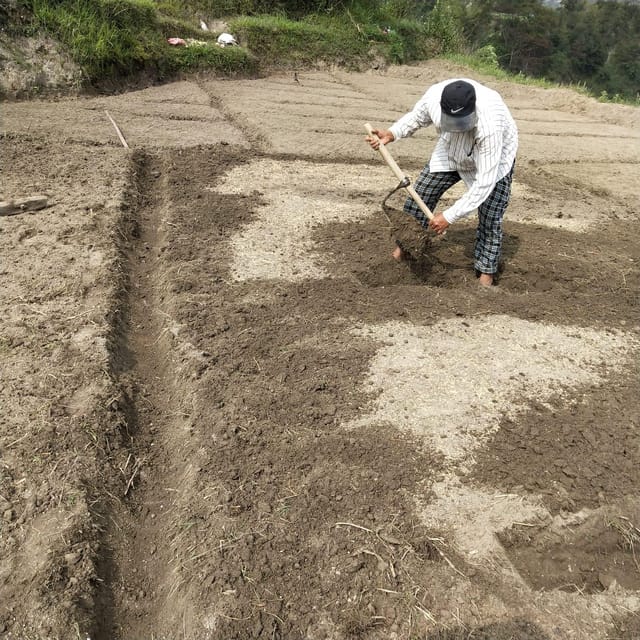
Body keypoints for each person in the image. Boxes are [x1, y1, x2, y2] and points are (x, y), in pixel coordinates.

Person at [367, 78, 518, 287]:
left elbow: (484, 183)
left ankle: (486, 275)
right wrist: (392, 133)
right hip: (449, 152)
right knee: (419, 196)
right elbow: (417, 117)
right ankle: (403, 252)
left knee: (490, 217)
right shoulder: (434, 98)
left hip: (491, 160)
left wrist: (448, 216)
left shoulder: (490, 124)